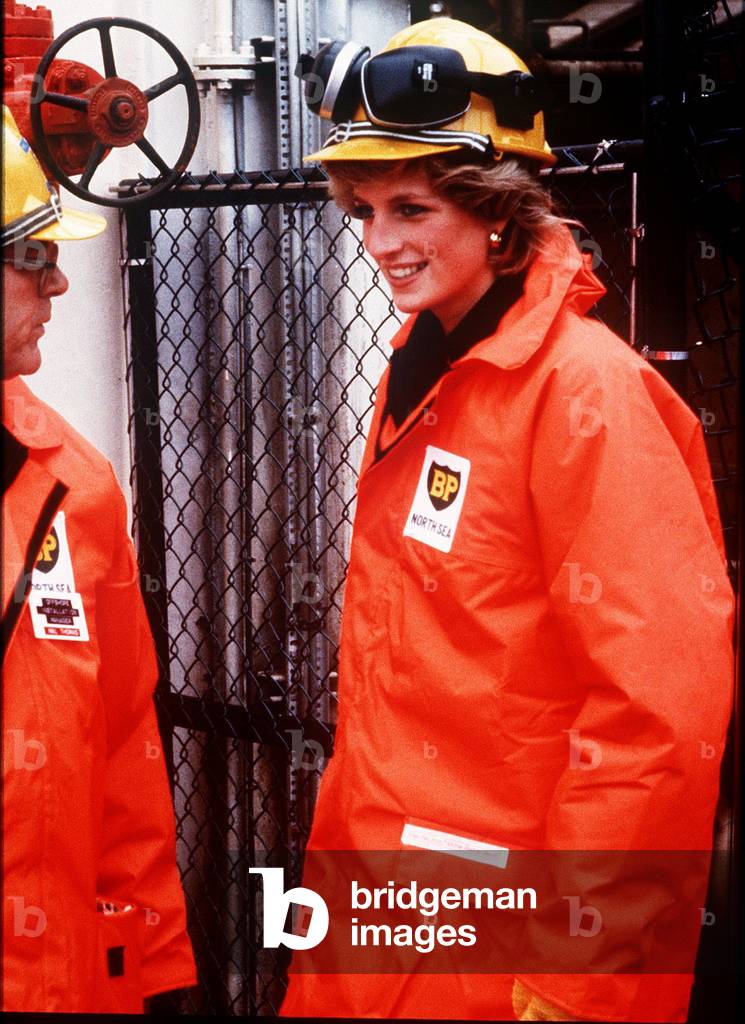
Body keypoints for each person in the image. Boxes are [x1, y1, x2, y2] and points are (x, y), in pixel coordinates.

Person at [279, 18, 734, 1022]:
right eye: (363, 210)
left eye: (410, 207)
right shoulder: (429, 371)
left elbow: (654, 716)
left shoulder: (584, 397)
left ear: (494, 211)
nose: (379, 243)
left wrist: (574, 980)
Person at [1, 105, 196, 1013]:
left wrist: (151, 966)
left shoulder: (73, 485)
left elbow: (123, 748)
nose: (61, 285)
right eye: (33, 258)